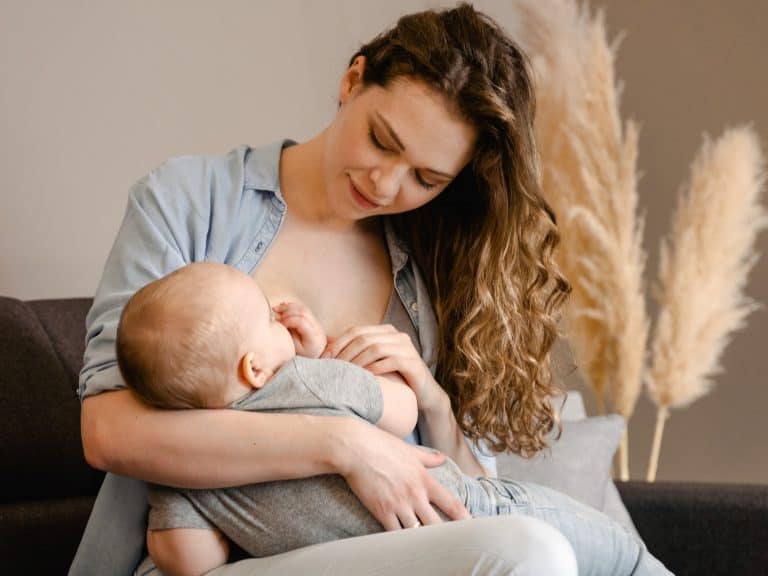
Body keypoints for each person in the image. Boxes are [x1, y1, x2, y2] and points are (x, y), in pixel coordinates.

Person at [71, 3, 672, 575]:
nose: (386, 185)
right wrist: (345, 444)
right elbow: (110, 431)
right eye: (382, 140)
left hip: (391, 553)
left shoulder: (431, 261)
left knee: (532, 551)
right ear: (353, 81)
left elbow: (467, 500)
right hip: (219, 562)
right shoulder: (190, 200)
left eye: (427, 178)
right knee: (530, 553)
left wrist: (434, 405)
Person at [116, 261, 670, 576]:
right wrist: (321, 359)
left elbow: (186, 559)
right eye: (266, 315)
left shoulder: (184, 472)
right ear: (256, 366)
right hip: (469, 508)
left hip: (402, 554)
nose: (279, 313)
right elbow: (399, 409)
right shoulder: (300, 380)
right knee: (625, 558)